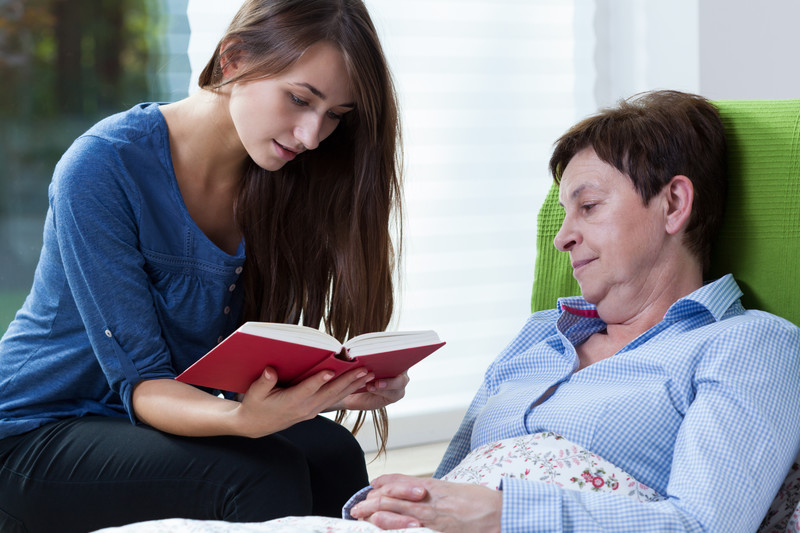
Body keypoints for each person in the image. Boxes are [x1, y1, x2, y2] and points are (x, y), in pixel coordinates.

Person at [0, 1, 408, 531]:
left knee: (332, 453)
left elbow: (237, 361)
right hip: (37, 430)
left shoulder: (281, 178)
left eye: (335, 116)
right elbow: (144, 385)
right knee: (259, 476)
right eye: (300, 99)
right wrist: (241, 419)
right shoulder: (103, 165)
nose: (311, 135)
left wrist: (336, 383)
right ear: (233, 59)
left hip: (157, 420)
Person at [347, 90, 800, 532]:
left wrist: (505, 516)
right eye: (565, 214)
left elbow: (704, 526)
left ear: (674, 204)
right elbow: (451, 489)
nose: (562, 237)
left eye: (588, 207)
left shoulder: (749, 345)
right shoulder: (541, 335)